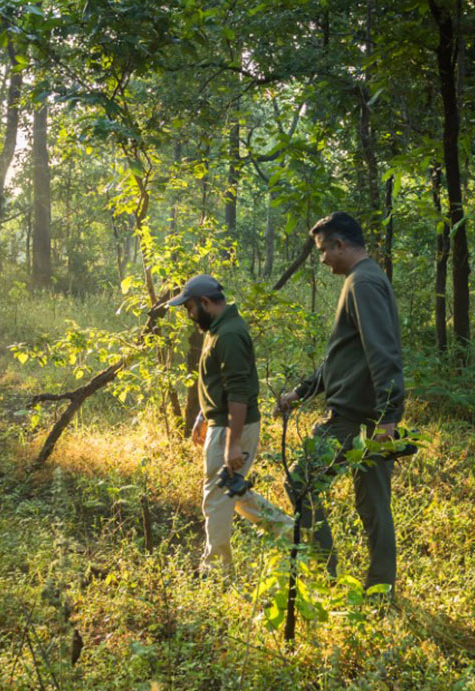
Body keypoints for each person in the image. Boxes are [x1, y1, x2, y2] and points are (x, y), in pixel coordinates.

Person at [275, 212, 406, 589]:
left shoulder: (363, 283)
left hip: (354, 419)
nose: (321, 259)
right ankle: (379, 589)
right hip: (366, 415)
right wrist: (301, 392)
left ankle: (324, 575)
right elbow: (344, 355)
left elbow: (383, 352)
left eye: (322, 251)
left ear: (340, 244)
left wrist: (387, 417)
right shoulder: (363, 280)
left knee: (301, 483)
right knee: (373, 506)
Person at [169, 274, 293, 575]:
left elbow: (238, 392)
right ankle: (291, 532)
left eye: (189, 308)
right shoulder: (218, 328)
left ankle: (215, 569)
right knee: (230, 490)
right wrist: (203, 415)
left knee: (215, 496)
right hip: (221, 422)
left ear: (205, 302)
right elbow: (218, 382)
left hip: (230, 427)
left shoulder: (229, 334)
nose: (188, 314)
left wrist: (232, 442)